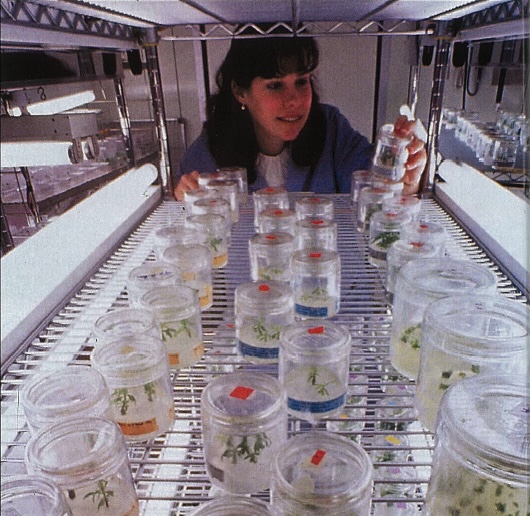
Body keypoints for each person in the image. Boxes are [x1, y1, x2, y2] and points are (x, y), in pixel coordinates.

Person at [174, 28, 426, 201]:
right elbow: (192, 230)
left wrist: (405, 180)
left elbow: (378, 191)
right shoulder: (211, 149)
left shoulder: (331, 129)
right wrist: (184, 199)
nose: (294, 100)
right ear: (240, 92)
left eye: (302, 81)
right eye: (275, 85)